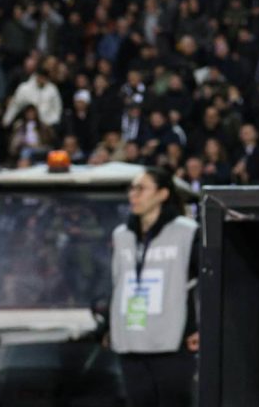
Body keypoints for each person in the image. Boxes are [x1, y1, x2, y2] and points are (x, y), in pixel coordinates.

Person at [110, 167, 199, 407]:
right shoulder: (121, 235)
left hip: (170, 342)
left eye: (141, 188)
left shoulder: (187, 232)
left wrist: (196, 326)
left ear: (162, 194)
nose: (133, 195)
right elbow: (117, 282)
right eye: (132, 188)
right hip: (130, 341)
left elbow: (199, 284)